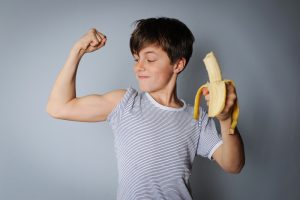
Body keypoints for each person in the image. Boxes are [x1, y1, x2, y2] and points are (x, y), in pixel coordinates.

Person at [46, 17, 245, 200]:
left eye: (149, 59)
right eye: (136, 59)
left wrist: (226, 120)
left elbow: (233, 165)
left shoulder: (196, 118)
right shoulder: (124, 103)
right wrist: (77, 51)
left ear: (178, 64)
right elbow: (59, 107)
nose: (138, 67)